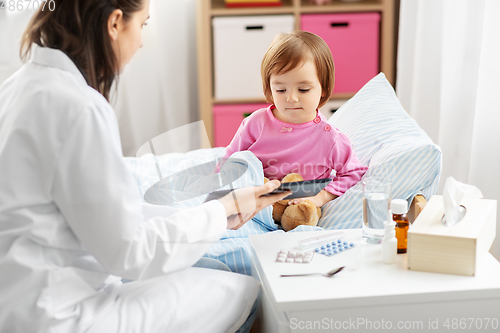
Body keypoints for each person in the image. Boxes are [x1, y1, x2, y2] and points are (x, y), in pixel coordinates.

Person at [0, 1, 290, 332]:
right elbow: (131, 252)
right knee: (244, 290)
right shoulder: (79, 109)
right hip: (62, 317)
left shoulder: (18, 86)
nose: (140, 41)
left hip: (19, 304)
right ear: (114, 23)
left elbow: (104, 214)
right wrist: (217, 212)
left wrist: (219, 211)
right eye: (143, 25)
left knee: (204, 265)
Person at [223, 31, 368, 209]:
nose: (291, 98)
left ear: (323, 88)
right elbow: (228, 164)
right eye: (281, 90)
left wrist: (321, 198)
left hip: (298, 209)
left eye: (304, 89)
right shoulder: (255, 124)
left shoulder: (329, 138)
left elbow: (353, 172)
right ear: (270, 87)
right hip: (256, 206)